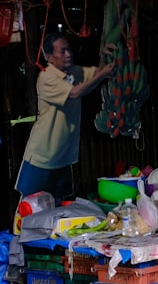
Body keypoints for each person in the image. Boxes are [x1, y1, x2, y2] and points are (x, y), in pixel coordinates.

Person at [15, 33, 115, 201]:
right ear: (50, 57)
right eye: (62, 51)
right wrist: (103, 73)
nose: (69, 54)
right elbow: (75, 92)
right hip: (42, 157)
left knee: (59, 206)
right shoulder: (46, 76)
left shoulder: (75, 72)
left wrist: (104, 57)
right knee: (30, 207)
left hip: (62, 157)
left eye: (68, 49)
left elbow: (97, 73)